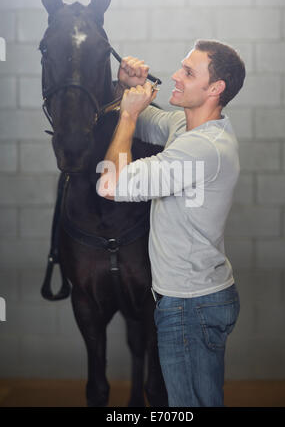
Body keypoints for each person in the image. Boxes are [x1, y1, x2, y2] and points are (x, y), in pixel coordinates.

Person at [97, 39, 246, 407]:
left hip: (190, 305)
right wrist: (126, 88)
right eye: (181, 66)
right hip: (191, 299)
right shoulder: (187, 125)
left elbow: (110, 183)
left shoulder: (202, 149)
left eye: (188, 72)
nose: (175, 76)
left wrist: (128, 114)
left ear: (215, 89)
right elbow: (145, 117)